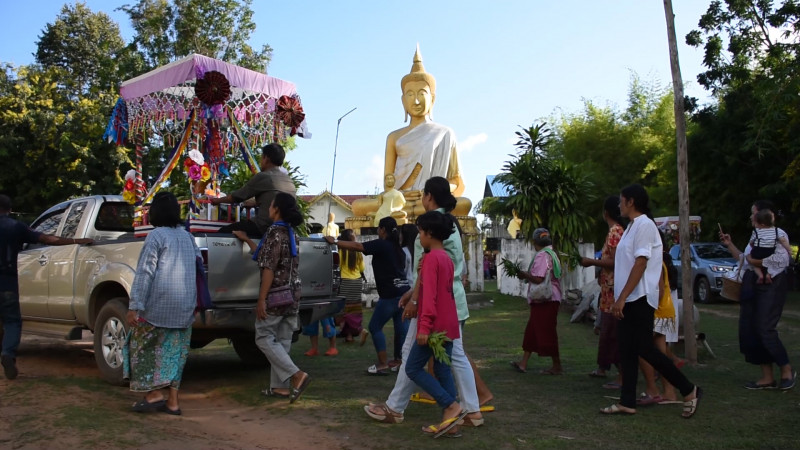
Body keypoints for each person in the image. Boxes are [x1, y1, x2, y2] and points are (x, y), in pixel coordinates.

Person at [364, 176, 489, 428]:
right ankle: (469, 409)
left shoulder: (435, 228)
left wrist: (415, 299)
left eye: (422, 195)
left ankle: (398, 407)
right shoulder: (446, 224)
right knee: (453, 357)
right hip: (449, 302)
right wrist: (412, 294)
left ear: (429, 196)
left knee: (414, 357)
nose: (420, 199)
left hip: (433, 303)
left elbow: (427, 271)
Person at [601, 184, 701, 417]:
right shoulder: (631, 227)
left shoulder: (645, 225)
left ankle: (689, 389)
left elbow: (641, 263)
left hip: (640, 297)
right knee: (626, 350)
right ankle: (627, 402)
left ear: (631, 202)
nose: (619, 205)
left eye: (622, 200)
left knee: (646, 349)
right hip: (628, 298)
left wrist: (623, 297)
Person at [351, 46, 470, 219]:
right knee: (357, 206)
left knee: (464, 204)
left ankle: (402, 212)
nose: (415, 100)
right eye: (409, 94)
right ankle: (404, 210)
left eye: (422, 93)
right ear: (402, 101)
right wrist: (399, 195)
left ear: (433, 98)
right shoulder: (394, 137)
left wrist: (431, 193)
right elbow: (388, 183)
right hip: (401, 200)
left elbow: (456, 182)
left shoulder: (445, 133)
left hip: (431, 199)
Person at [0, 195, 93, 380]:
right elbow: (48, 239)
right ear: (10, 210)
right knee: (12, 322)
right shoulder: (16, 226)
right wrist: (76, 241)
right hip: (6, 284)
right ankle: (8, 354)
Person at [124, 191, 199, 415]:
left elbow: (145, 273)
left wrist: (134, 306)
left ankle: (153, 393)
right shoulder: (188, 236)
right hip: (185, 306)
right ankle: (173, 402)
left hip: (158, 306)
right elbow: (197, 269)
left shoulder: (156, 236)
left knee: (140, 346)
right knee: (177, 353)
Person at [404, 211, 468, 438]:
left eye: (420, 232)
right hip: (449, 323)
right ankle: (453, 423)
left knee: (412, 368)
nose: (419, 237)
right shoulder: (446, 259)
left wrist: (424, 327)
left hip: (434, 327)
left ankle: (451, 405)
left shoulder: (431, 259)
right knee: (442, 370)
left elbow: (430, 296)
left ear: (429, 233)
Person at [720, 200, 796, 390]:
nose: (750, 217)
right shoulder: (755, 236)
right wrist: (730, 245)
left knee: (764, 327)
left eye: (753, 213)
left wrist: (755, 261)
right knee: (751, 329)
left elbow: (782, 259)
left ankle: (786, 369)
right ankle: (767, 377)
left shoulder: (778, 234)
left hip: (771, 285)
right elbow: (745, 260)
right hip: (752, 283)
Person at [324, 217, 410, 375]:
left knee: (375, 327)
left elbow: (357, 246)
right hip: (404, 293)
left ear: (382, 230)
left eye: (378, 228)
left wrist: (334, 242)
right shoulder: (399, 250)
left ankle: (383, 364)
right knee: (400, 329)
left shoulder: (381, 244)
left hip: (390, 295)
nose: (377, 231)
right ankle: (398, 361)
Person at [253, 192, 311, 402]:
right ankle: (280, 388)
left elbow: (268, 267)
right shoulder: (291, 233)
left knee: (263, 336)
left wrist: (262, 299)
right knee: (283, 340)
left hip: (276, 295)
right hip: (293, 294)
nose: (268, 208)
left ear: (276, 209)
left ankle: (296, 375)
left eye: (271, 205)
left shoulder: (273, 233)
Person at [581, 196, 625, 387]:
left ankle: (622, 376)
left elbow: (615, 262)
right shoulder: (617, 231)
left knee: (613, 335)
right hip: (608, 290)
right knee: (607, 332)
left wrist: (591, 262)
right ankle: (604, 367)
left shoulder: (615, 232)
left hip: (614, 291)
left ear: (605, 213)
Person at [211, 143, 296, 236]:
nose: (260, 161)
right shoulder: (288, 180)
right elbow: (276, 198)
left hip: (263, 226)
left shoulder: (264, 176)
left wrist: (216, 201)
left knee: (223, 232)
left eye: (261, 157)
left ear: (266, 158)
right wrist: (256, 202)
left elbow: (236, 197)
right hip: (285, 228)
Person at [510, 228, 563, 375]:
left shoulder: (542, 256)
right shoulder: (552, 253)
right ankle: (523, 363)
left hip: (545, 299)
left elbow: (539, 278)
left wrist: (524, 274)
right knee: (532, 331)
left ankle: (557, 365)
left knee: (546, 332)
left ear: (534, 242)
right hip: (550, 298)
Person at [637, 238, 681, 405]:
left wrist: (649, 310)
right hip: (662, 311)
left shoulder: (653, 262)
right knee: (660, 354)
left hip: (657, 312)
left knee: (644, 349)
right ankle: (669, 392)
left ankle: (652, 390)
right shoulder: (658, 260)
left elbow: (660, 290)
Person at [338, 229, 366, 343]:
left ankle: (360, 330)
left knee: (343, 310)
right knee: (354, 309)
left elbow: (338, 267)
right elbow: (362, 268)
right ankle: (349, 336)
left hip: (344, 282)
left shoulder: (340, 251)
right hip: (356, 282)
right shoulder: (358, 252)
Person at [749, 208, 791, 285]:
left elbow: (751, 242)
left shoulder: (756, 231)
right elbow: (783, 241)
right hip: (770, 251)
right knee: (771, 264)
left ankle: (760, 275)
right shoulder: (777, 230)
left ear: (762, 224)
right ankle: (769, 275)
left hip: (758, 251)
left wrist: (753, 248)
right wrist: (789, 250)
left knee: (752, 262)